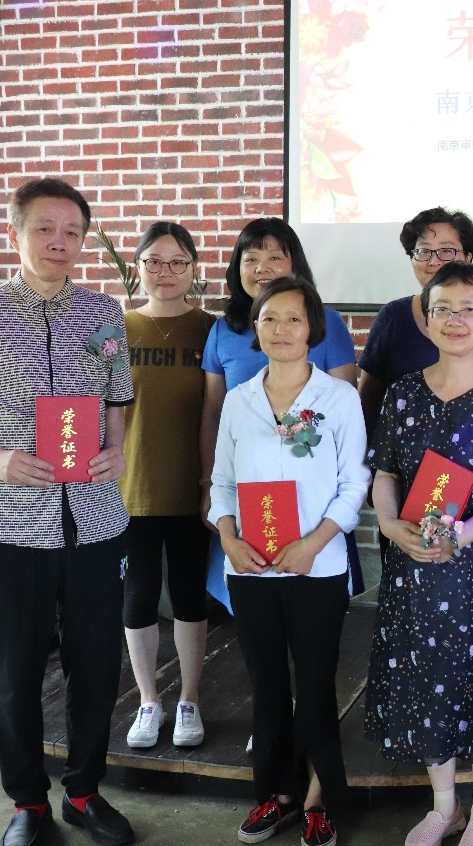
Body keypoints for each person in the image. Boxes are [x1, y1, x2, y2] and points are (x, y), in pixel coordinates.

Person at [0, 177, 135, 846]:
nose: (59, 242)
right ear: (14, 233)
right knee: (15, 672)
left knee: (96, 665)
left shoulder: (104, 313)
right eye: (45, 228)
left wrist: (116, 447)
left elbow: (118, 398)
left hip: (95, 519)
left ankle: (84, 791)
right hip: (10, 519)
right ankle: (28, 803)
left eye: (72, 231)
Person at [364, 262, 473, 846]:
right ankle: (444, 806)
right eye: (443, 309)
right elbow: (385, 474)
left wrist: (460, 535)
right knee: (425, 676)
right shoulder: (402, 393)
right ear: (427, 319)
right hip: (414, 564)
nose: (456, 320)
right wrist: (390, 524)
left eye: (470, 309)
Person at [210, 277, 369, 846]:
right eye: (269, 318)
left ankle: (319, 799)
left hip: (316, 567)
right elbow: (221, 482)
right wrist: (228, 537)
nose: (281, 329)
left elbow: (355, 483)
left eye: (293, 319)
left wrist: (314, 543)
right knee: (268, 685)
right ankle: (275, 796)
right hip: (250, 567)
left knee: (317, 685)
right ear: (255, 329)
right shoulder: (239, 400)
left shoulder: (337, 398)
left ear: (312, 329)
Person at [199, 217, 363, 616]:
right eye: (251, 259)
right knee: (256, 618)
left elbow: (343, 416)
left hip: (313, 509)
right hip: (247, 503)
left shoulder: (327, 323)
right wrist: (208, 486)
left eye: (275, 257)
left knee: (313, 623)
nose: (262, 268)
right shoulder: (223, 331)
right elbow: (213, 414)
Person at [118, 222, 217, 750]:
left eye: (178, 261)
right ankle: (148, 701)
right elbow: (94, 402)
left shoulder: (212, 330)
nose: (165, 272)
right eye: (154, 261)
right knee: (137, 596)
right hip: (129, 488)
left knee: (188, 594)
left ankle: (189, 700)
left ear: (193, 269)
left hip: (192, 487)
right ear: (138, 267)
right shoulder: (115, 328)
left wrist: (211, 483)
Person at [357, 206, 473, 440]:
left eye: (446, 251)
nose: (434, 261)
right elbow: (368, 401)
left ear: (468, 257)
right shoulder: (392, 317)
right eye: (424, 251)